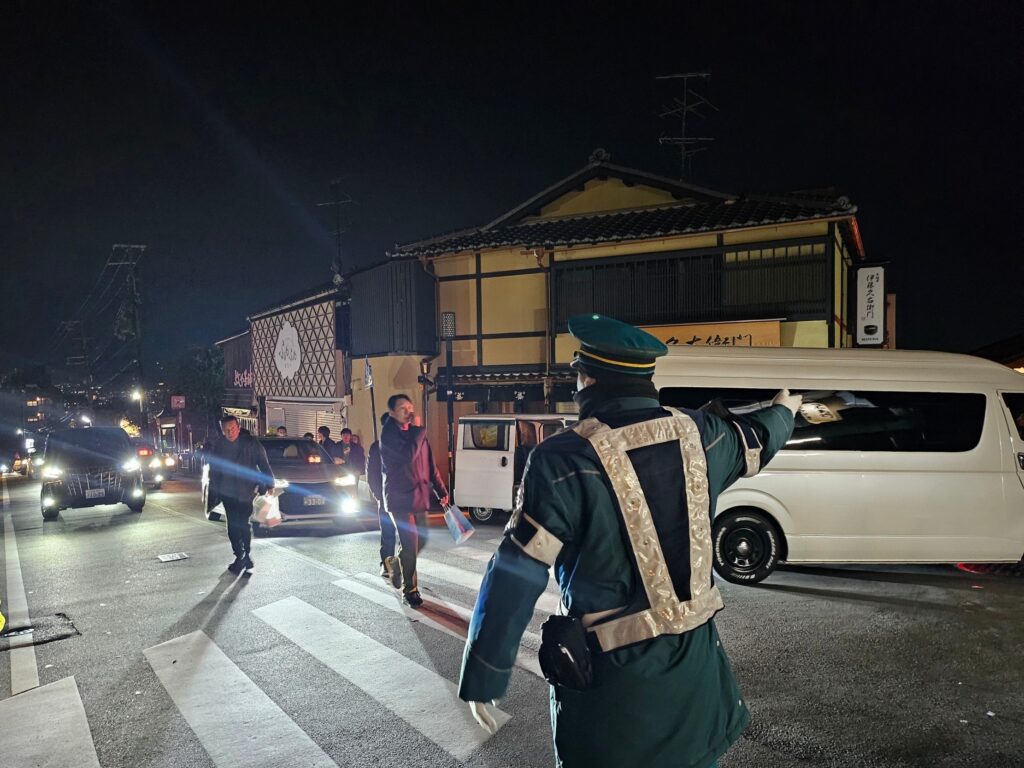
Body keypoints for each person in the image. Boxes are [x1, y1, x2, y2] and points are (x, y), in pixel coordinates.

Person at [457, 314, 801, 768]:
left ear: (587, 379)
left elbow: (516, 571)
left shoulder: (562, 459)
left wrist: (485, 673)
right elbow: (758, 437)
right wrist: (784, 410)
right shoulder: (701, 434)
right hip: (697, 685)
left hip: (614, 699)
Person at [380, 394, 448, 608]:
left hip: (419, 496)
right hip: (399, 498)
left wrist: (441, 490)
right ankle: (410, 590)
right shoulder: (388, 436)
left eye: (410, 407)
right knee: (410, 545)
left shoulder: (417, 435)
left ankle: (395, 564)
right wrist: (419, 431)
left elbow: (430, 464)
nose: (408, 411)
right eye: (402, 408)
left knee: (422, 539)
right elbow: (408, 457)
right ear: (392, 413)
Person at [207, 415, 275, 575]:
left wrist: (270, 483)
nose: (229, 432)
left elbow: (263, 463)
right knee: (232, 525)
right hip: (227, 492)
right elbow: (214, 470)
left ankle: (244, 554)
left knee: (243, 524)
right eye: (226, 430)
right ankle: (241, 555)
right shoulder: (219, 446)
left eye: (232, 428)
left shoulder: (250, 443)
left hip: (246, 490)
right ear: (222, 431)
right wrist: (214, 490)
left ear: (238, 427)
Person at [366, 414, 398, 582]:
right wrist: (379, 496)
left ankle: (402, 566)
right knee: (388, 534)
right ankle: (386, 564)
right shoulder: (376, 447)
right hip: (386, 499)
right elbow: (371, 475)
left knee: (407, 536)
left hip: (404, 500)